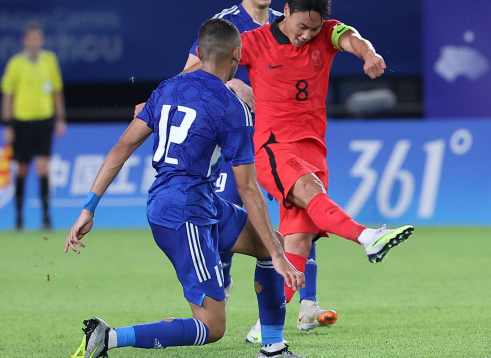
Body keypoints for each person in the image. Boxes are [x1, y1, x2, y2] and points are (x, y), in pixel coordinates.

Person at [184, 0, 414, 336]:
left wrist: (368, 54)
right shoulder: (256, 41)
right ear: (286, 12)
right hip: (273, 147)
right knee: (309, 191)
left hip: (313, 148)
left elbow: (352, 38)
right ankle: (367, 236)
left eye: (314, 28)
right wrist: (208, 89)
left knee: (298, 244)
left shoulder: (326, 33)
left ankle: (263, 328)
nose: (307, 35)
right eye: (301, 27)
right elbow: (206, 60)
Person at [65, 19, 305, 358]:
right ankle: (109, 337)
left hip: (193, 199)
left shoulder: (167, 89)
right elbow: (248, 188)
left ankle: (273, 348)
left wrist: (89, 206)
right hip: (184, 212)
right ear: (237, 54)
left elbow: (122, 147)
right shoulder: (231, 106)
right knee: (212, 327)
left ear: (201, 53)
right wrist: (283, 260)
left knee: (270, 244)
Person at [182, 0, 339, 342]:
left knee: (300, 210)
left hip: (282, 141)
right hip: (239, 146)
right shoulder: (225, 25)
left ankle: (306, 304)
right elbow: (188, 74)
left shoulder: (289, 23)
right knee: (229, 221)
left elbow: (333, 38)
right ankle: (220, 290)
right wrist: (232, 83)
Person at [1, 22, 66, 230]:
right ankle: (19, 217)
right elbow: (8, 96)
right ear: (24, 41)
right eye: (31, 38)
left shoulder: (49, 60)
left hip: (44, 121)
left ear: (42, 40)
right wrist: (8, 125)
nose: (34, 42)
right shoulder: (15, 64)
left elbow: (57, 91)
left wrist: (60, 119)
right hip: (22, 123)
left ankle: (46, 216)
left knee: (43, 169)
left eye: (38, 38)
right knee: (21, 169)